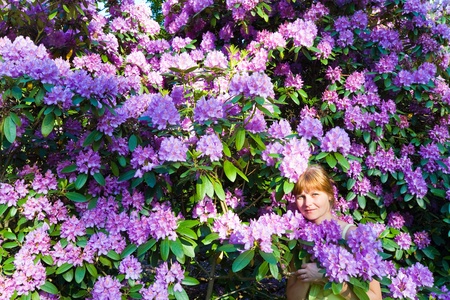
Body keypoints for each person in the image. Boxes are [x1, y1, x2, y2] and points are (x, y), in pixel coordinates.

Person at [286, 165, 382, 300]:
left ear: (330, 195)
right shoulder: (298, 238)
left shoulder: (353, 236)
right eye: (301, 196)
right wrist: (306, 276)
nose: (307, 203)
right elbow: (292, 297)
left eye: (315, 194)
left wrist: (327, 276)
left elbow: (375, 298)